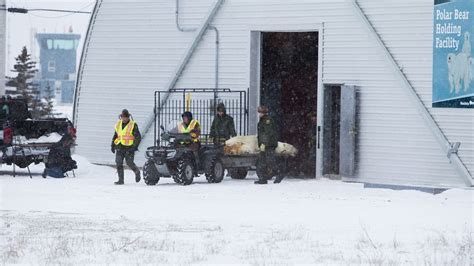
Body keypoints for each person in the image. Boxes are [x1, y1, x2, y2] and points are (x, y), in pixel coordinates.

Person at [111, 109, 141, 185]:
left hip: (129, 147)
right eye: (123, 117)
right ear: (121, 117)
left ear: (128, 117)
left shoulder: (133, 125)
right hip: (119, 146)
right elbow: (116, 135)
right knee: (118, 162)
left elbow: (138, 137)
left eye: (126, 117)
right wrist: (112, 145)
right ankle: (121, 180)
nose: (124, 119)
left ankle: (137, 171)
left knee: (129, 162)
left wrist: (134, 147)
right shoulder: (118, 124)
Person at [256, 105, 283, 184]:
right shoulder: (262, 120)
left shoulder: (268, 120)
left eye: (261, 112)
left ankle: (279, 173)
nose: (259, 114)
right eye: (259, 112)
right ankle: (263, 178)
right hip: (264, 144)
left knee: (270, 161)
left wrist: (264, 143)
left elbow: (268, 133)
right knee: (262, 162)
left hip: (269, 144)